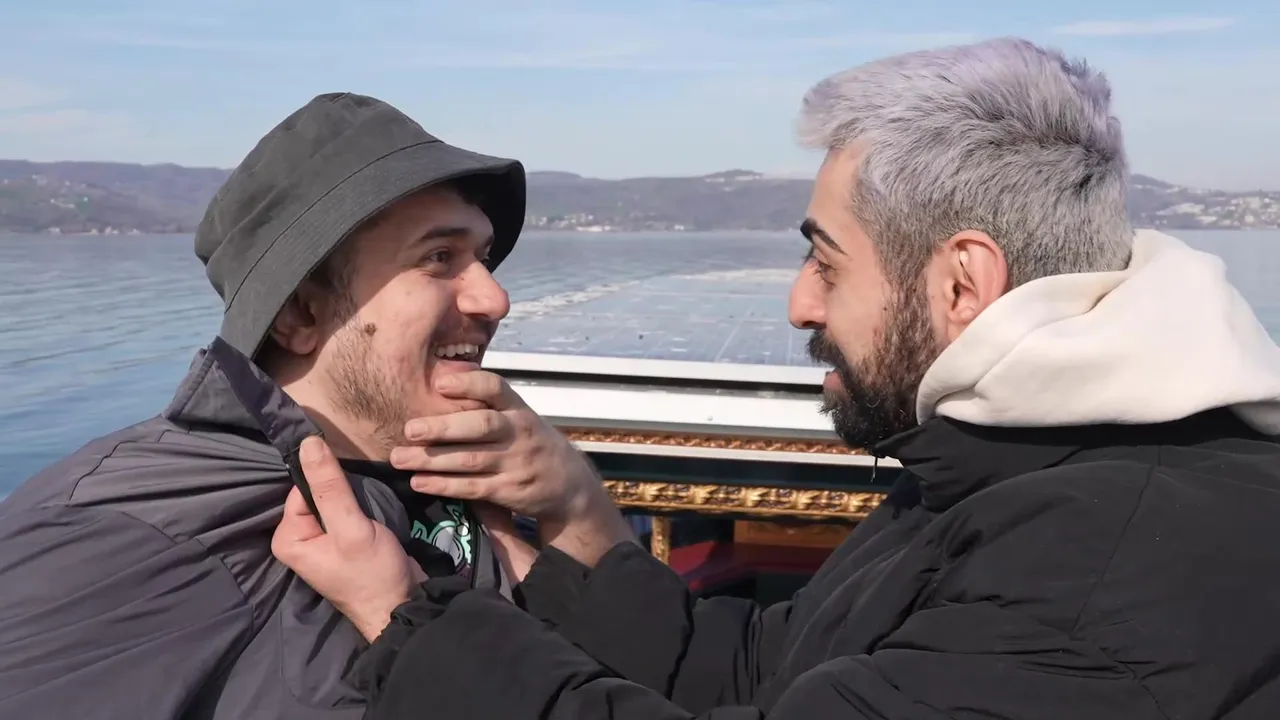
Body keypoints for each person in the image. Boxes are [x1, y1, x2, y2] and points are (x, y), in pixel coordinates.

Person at [273, 38, 1280, 719]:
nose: (800, 304)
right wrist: (577, 518)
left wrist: (408, 621)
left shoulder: (1106, 573)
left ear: (961, 284)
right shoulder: (1007, 462)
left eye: (827, 264)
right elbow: (765, 670)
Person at [0, 92, 580, 719]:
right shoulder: (122, 533)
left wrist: (571, 517)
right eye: (439, 258)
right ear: (301, 314)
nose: (495, 299)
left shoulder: (485, 489)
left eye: (483, 259)